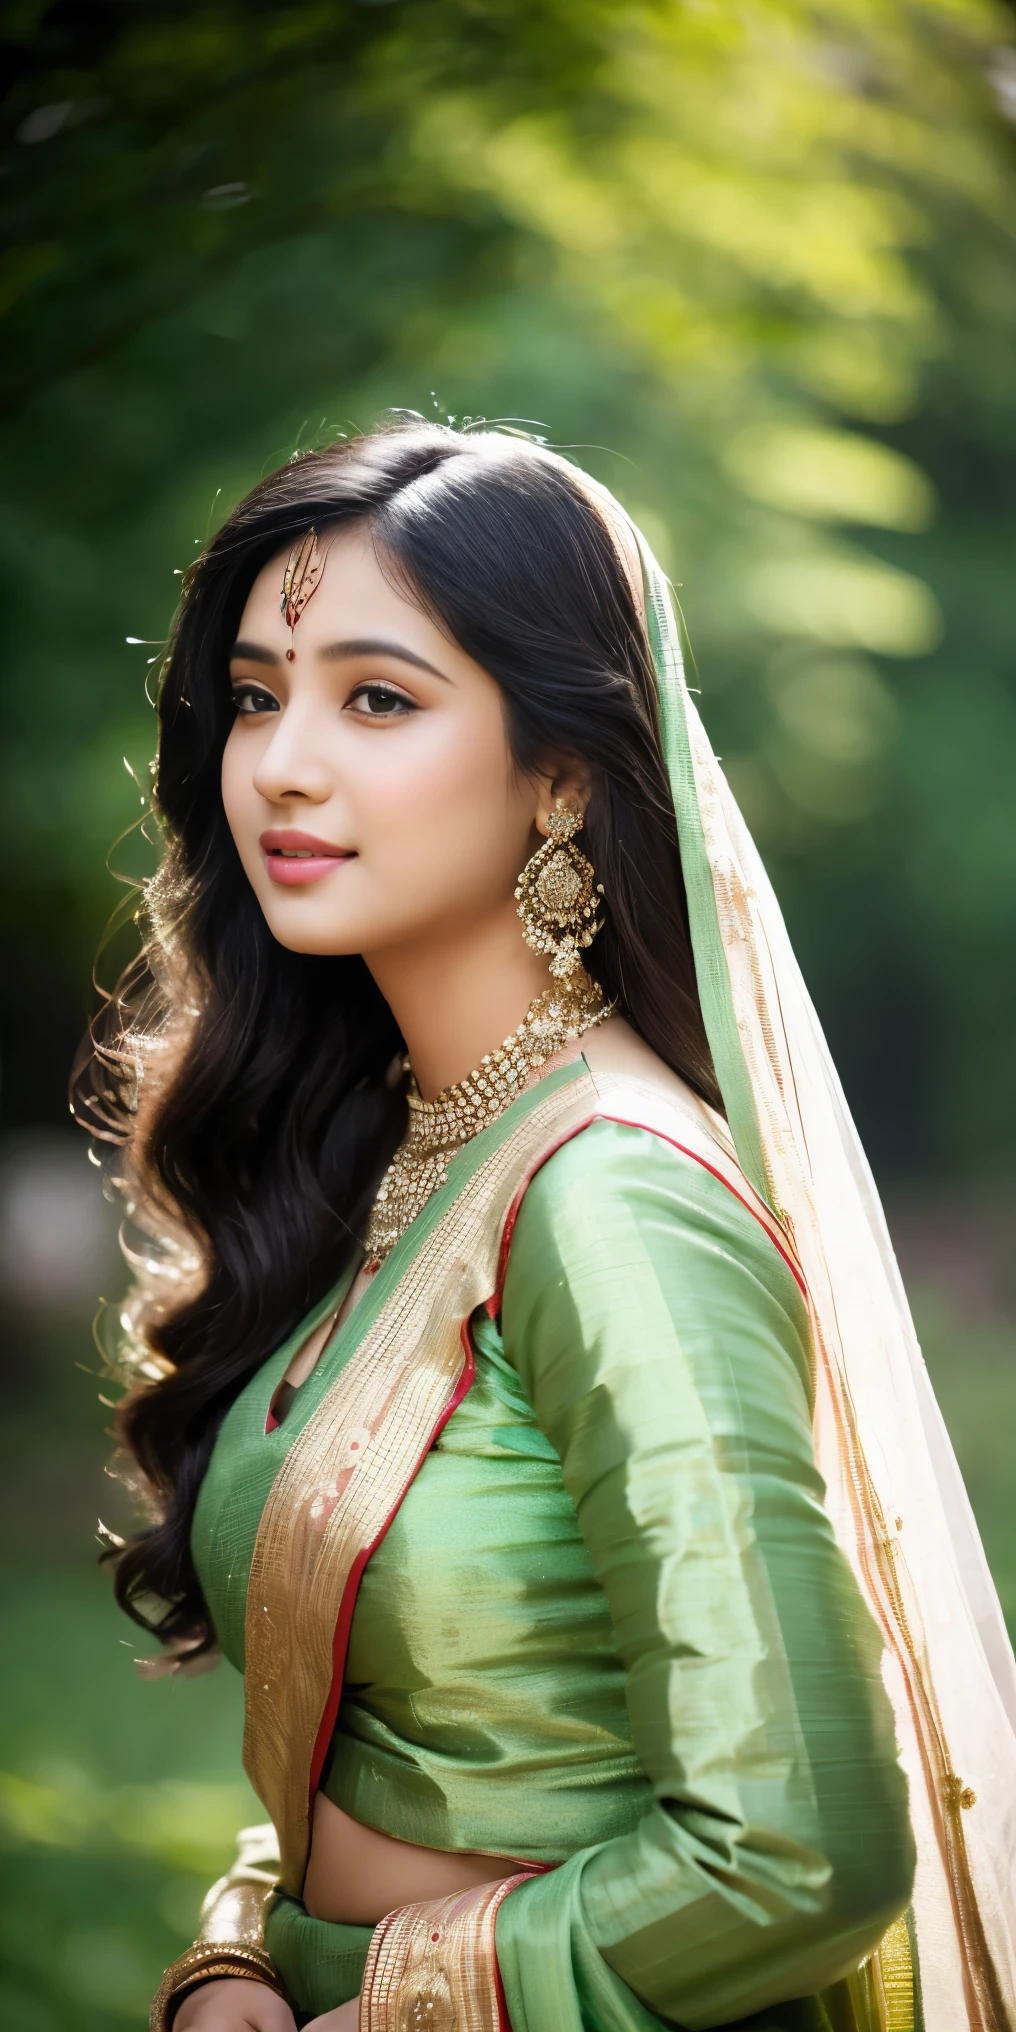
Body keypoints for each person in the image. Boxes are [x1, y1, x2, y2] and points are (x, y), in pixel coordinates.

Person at [75, 422, 1016, 2032]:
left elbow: (796, 1849)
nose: (284, 761)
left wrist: (386, 2013)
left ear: (563, 769)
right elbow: (414, 1749)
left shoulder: (614, 1196)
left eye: (377, 698)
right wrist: (241, 1946)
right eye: (253, 694)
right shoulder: (401, 1145)